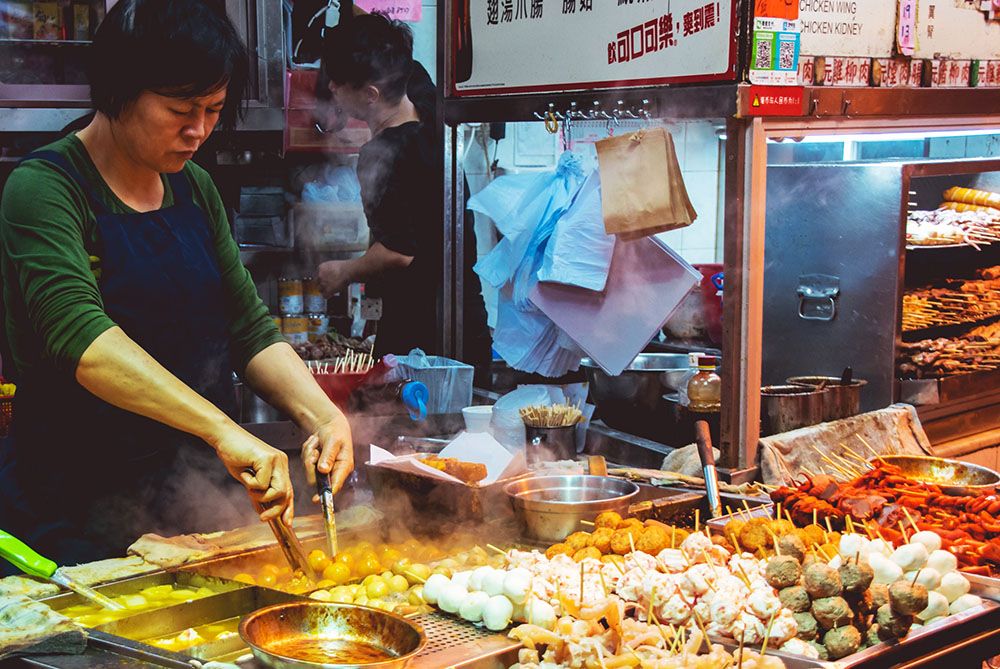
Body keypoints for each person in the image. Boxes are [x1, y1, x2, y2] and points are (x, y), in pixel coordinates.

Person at [0, 0, 352, 568]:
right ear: (118, 92)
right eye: (179, 109)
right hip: (74, 511)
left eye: (213, 110)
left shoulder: (195, 189)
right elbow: (84, 343)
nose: (199, 130)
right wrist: (222, 429)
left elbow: (249, 327)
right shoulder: (45, 189)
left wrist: (324, 417)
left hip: (193, 504)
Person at [315, 14, 490, 376]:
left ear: (370, 94)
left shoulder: (383, 155)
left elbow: (398, 252)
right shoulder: (424, 96)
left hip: (418, 343)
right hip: (467, 323)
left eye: (338, 83)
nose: (331, 87)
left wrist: (342, 272)